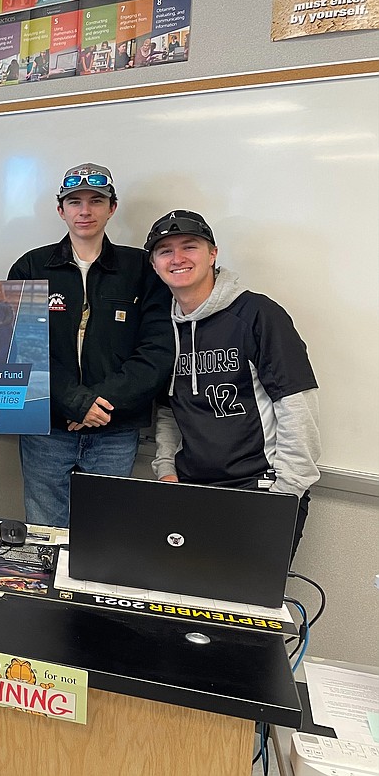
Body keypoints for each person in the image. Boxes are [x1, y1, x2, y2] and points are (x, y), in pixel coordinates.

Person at [145, 211, 319, 557]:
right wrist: (166, 471)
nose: (177, 259)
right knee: (184, 603)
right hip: (191, 492)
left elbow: (297, 405)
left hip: (259, 490)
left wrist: (285, 493)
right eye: (165, 251)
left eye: (189, 247)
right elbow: (168, 410)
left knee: (248, 607)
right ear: (153, 264)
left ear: (213, 254)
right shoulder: (162, 328)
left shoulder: (258, 315)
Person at [8, 163, 174, 527]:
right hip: (48, 428)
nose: (85, 211)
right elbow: (21, 349)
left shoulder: (142, 269)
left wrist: (97, 403)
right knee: (44, 532)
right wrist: (74, 401)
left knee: (104, 534)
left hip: (114, 427)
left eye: (96, 201)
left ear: (112, 207)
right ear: (60, 210)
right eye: (75, 202)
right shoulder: (30, 267)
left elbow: (158, 351)